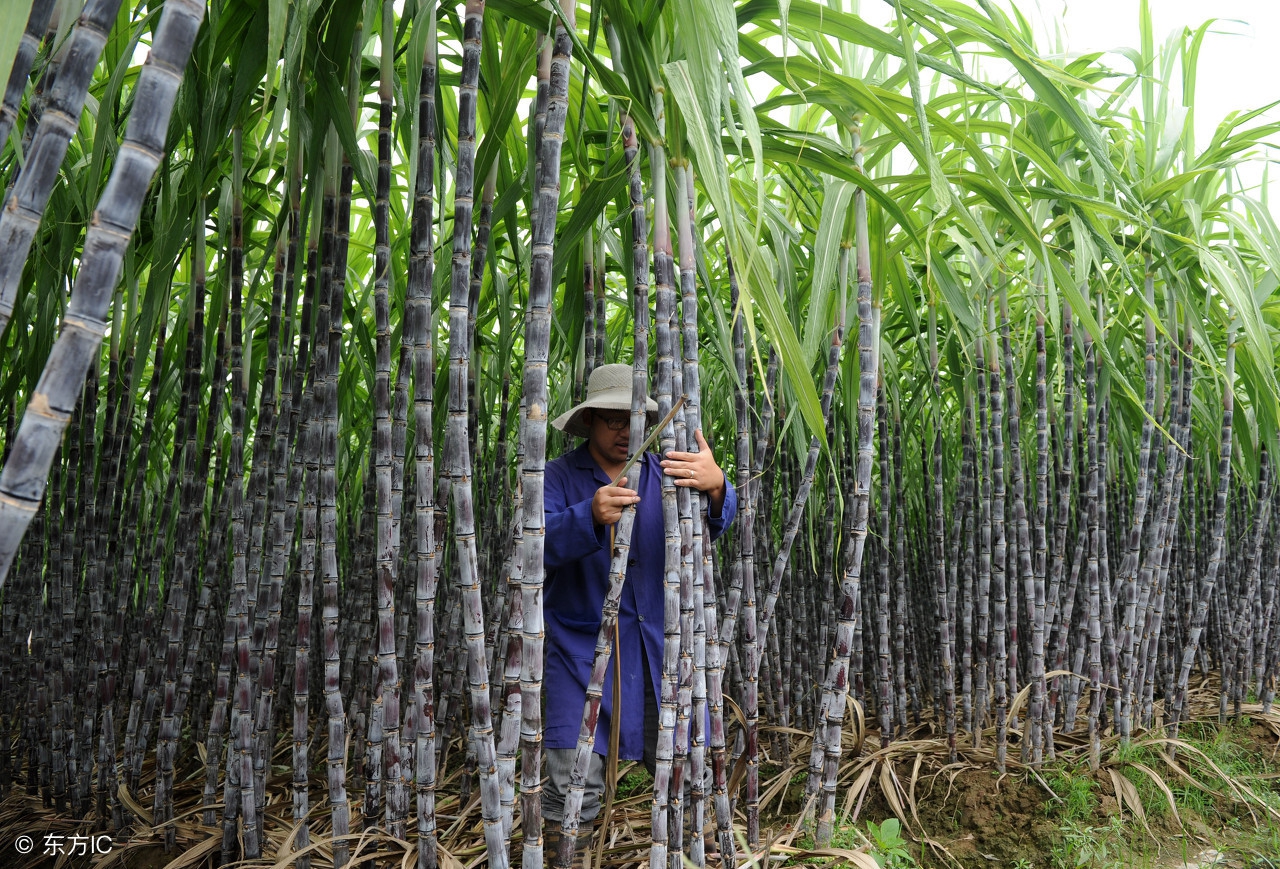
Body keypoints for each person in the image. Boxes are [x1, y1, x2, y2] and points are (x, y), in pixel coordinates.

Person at [541, 362, 738, 854]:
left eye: (635, 420)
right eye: (613, 419)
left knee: (684, 787)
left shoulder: (670, 473)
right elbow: (531, 546)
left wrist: (716, 486)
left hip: (658, 658)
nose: (626, 431)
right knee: (572, 793)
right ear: (588, 421)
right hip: (579, 657)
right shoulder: (558, 477)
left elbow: (712, 526)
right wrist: (586, 515)